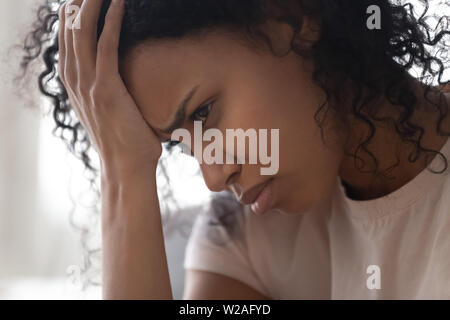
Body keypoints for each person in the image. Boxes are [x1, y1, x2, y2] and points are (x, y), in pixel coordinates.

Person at [19, 0, 450, 299]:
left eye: (203, 112)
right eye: (179, 144)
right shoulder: (245, 237)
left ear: (292, 18)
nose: (212, 177)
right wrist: (124, 173)